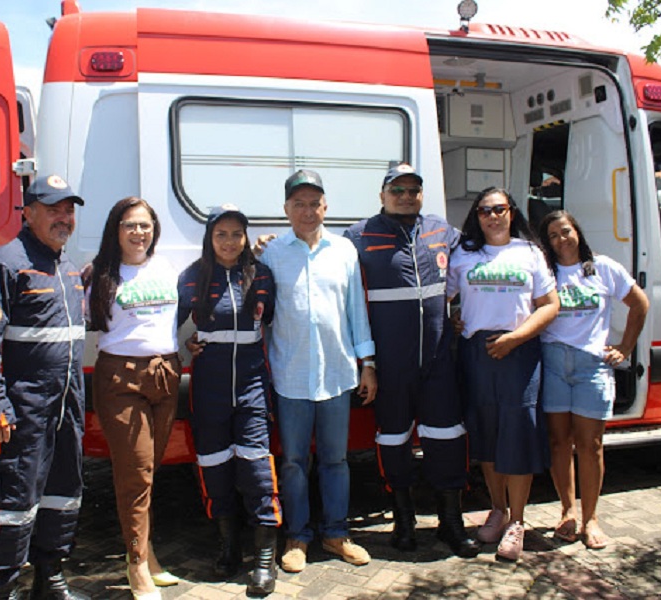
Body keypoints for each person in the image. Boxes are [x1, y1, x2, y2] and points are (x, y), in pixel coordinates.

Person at [344, 164, 480, 558]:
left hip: (438, 362)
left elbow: (484, 253)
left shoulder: (442, 232)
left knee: (447, 439)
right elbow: (321, 262)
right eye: (397, 189)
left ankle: (450, 523)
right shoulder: (358, 236)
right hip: (390, 367)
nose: (406, 196)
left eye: (413, 190)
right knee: (392, 441)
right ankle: (403, 521)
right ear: (382, 193)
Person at [0, 174, 89, 600]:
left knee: (62, 494)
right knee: (11, 502)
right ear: (29, 212)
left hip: (64, 411)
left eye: (69, 210)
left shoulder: (67, 268)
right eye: (53, 209)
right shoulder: (5, 264)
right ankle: (4, 589)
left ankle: (50, 579)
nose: (64, 218)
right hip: (21, 413)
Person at [259, 169, 377, 574]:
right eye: (298, 204)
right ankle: (297, 537)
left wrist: (369, 365)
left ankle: (337, 533)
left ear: (326, 207)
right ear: (286, 209)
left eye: (314, 203)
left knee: (336, 460)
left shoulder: (344, 251)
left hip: (338, 374)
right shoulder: (272, 254)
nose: (307, 211)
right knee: (292, 461)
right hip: (290, 377)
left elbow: (356, 314)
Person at [447, 187, 559, 562]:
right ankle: (497, 509)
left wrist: (516, 338)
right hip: (476, 352)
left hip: (519, 353)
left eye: (499, 209)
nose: (492, 216)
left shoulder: (529, 253)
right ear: (476, 216)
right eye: (484, 210)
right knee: (487, 433)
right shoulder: (463, 254)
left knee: (518, 435)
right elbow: (443, 299)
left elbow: (550, 306)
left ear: (512, 212)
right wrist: (453, 319)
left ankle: (518, 521)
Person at [177, 204, 281, 596]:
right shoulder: (191, 277)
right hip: (209, 387)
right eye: (221, 234)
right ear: (209, 237)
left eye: (237, 233)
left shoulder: (262, 274)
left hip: (253, 383)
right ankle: (228, 547)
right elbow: (168, 325)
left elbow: (272, 319)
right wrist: (185, 347)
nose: (229, 241)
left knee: (256, 468)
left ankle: (265, 561)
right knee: (215, 466)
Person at [86, 197, 181, 600]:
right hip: (120, 378)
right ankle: (136, 563)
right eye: (130, 225)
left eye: (145, 225)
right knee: (136, 472)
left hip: (165, 374)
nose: (138, 233)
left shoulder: (166, 267)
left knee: (150, 470)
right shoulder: (100, 273)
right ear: (116, 230)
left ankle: (147, 551)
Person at [538, 210, 649, 550]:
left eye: (565, 231)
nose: (561, 239)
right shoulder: (544, 272)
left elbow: (639, 303)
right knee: (559, 444)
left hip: (592, 367)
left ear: (577, 232)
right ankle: (567, 511)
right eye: (553, 235)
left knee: (591, 446)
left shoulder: (604, 267)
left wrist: (625, 347)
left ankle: (591, 519)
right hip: (553, 362)